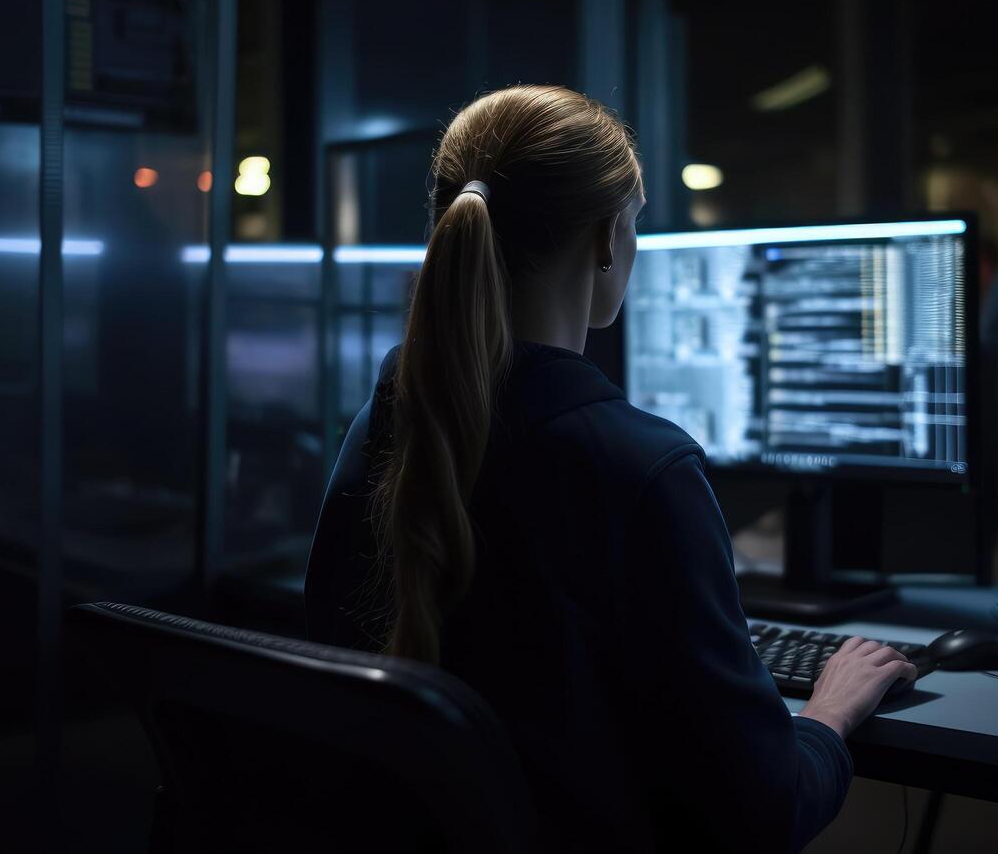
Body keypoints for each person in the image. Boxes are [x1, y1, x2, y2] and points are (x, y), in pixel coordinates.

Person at [305, 85, 915, 853]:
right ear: (604, 239)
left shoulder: (380, 428)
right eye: (634, 224)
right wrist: (830, 714)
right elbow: (764, 811)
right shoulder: (639, 468)